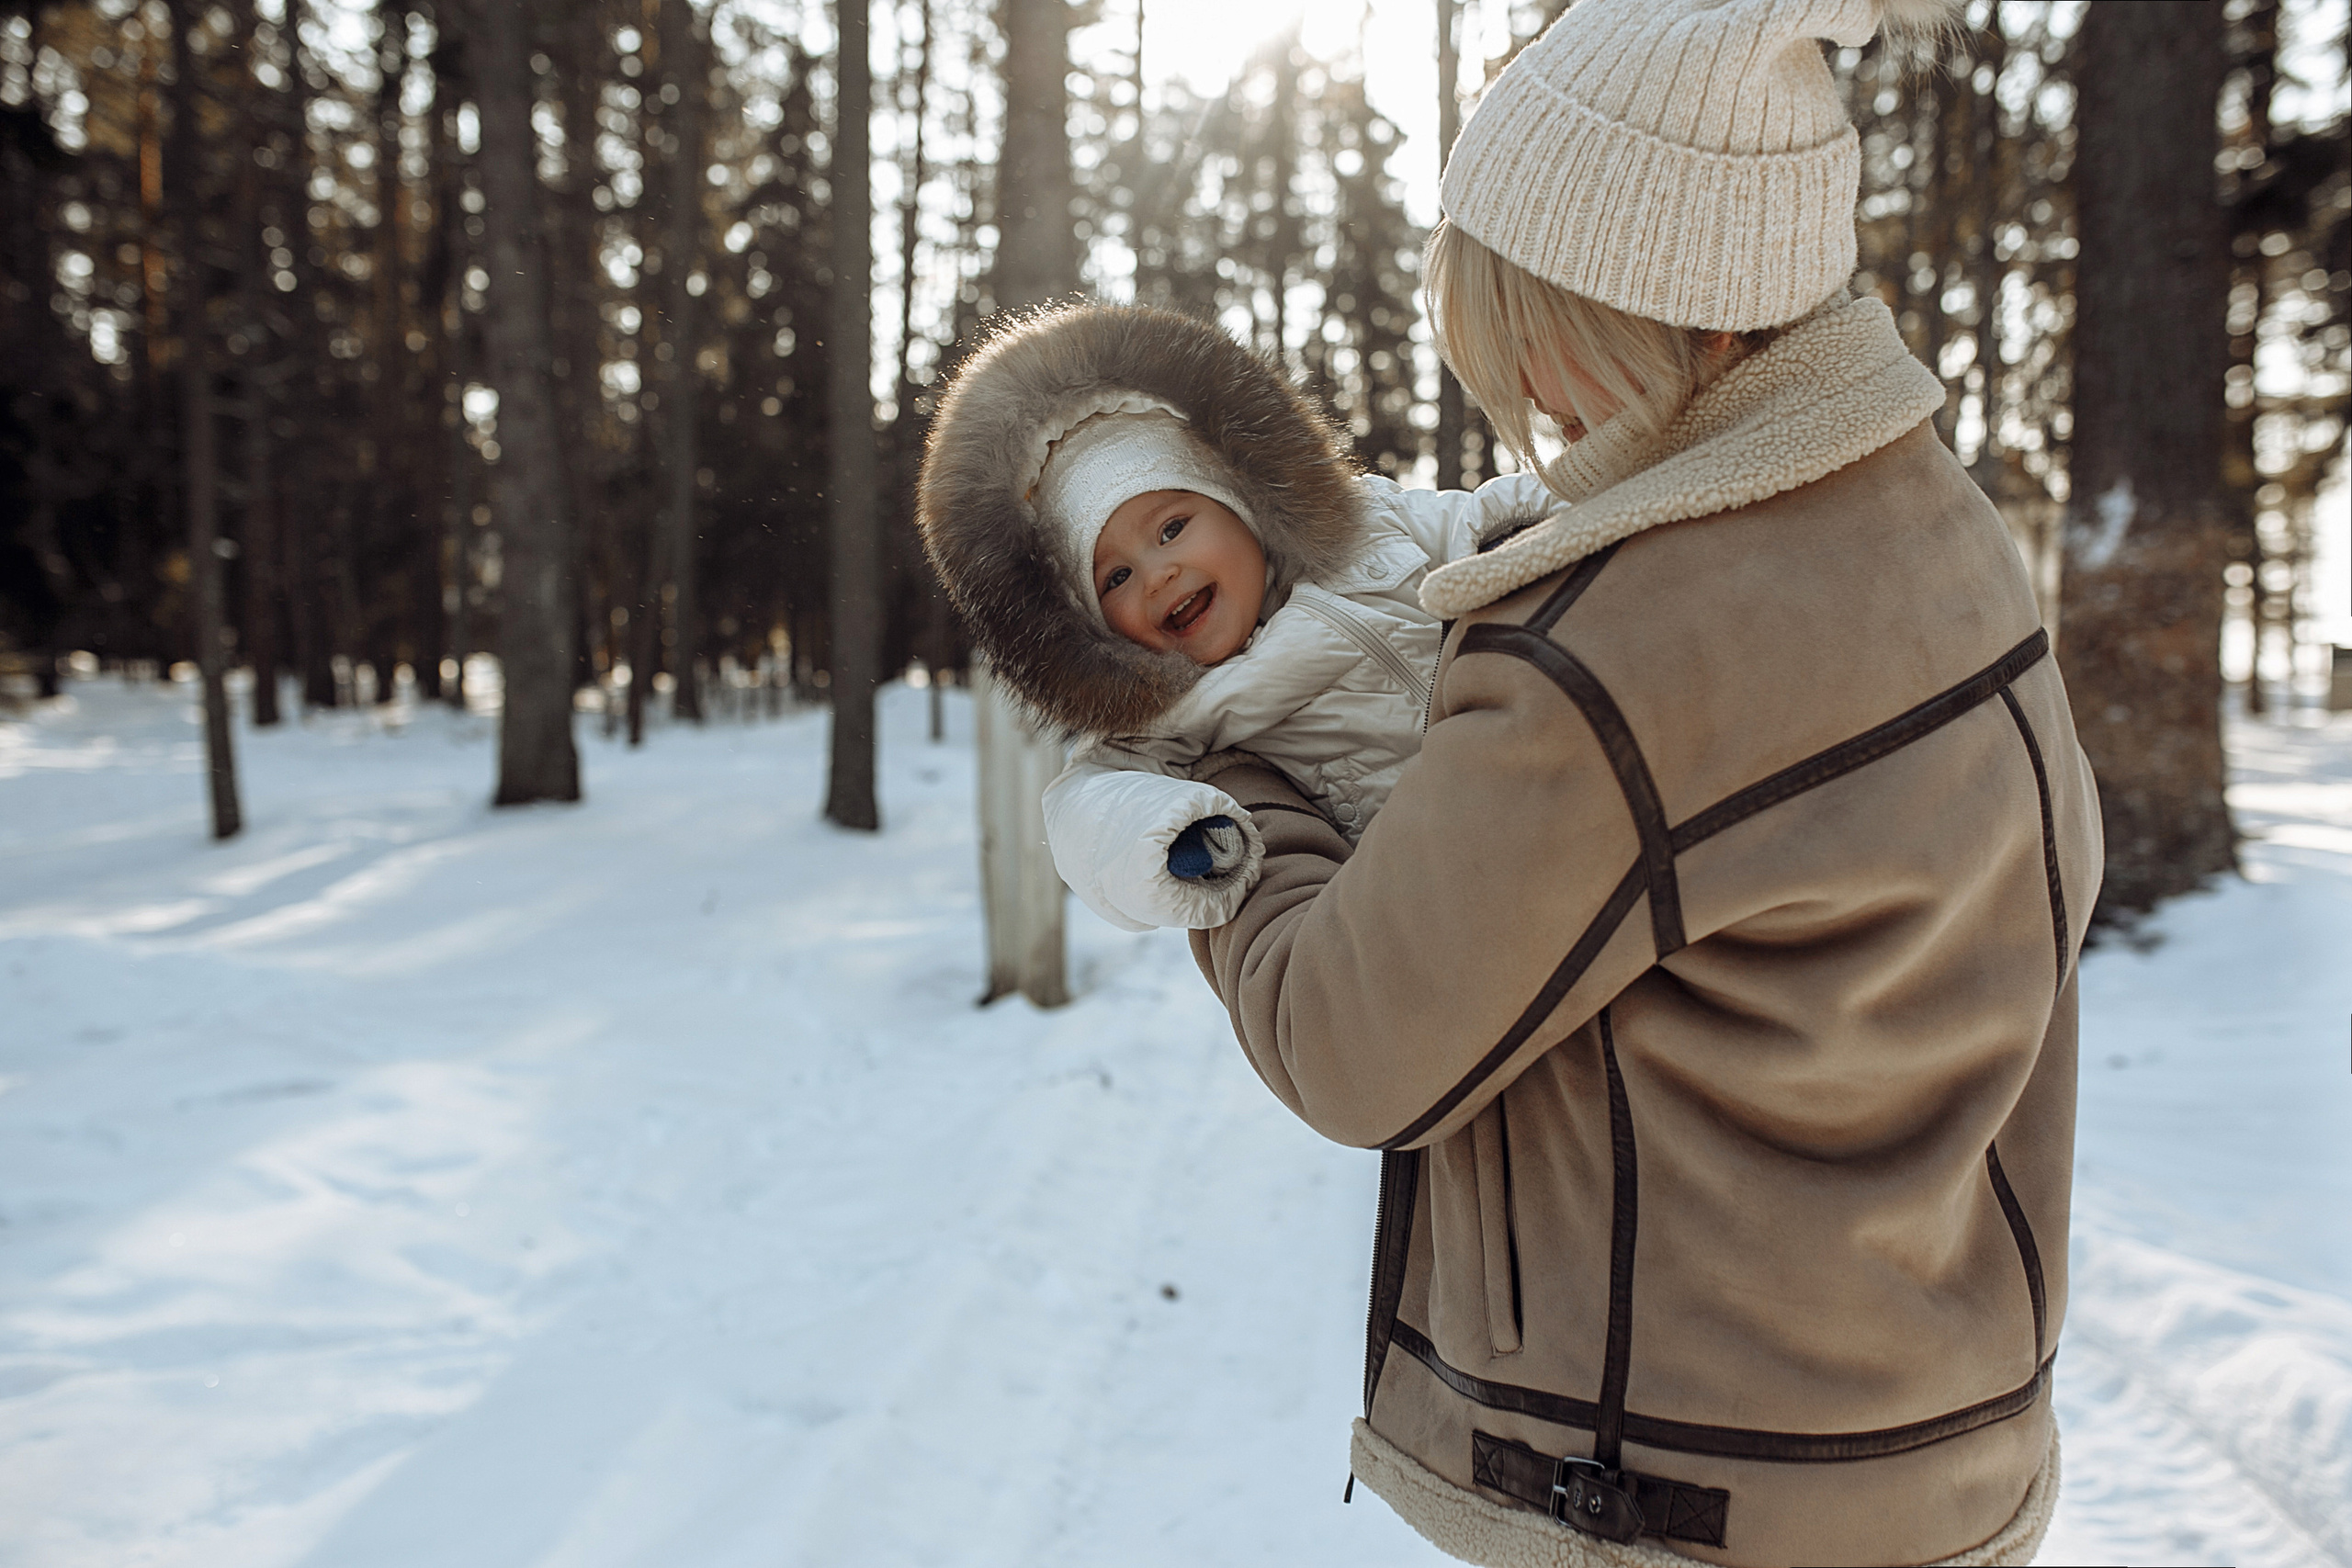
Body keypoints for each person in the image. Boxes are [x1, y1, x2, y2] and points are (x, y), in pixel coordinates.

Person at [1182, 0, 2101, 1563]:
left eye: (1522, 313)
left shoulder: (1619, 643)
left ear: (1656, 294)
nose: (1522, 389)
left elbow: (1350, 1042)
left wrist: (1222, 785)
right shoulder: (1936, 526)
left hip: (1687, 1501)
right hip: (1942, 1461)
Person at [916, 302, 1558, 932]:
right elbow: (1083, 810)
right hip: (1428, 897)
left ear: (1241, 505)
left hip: (1545, 780)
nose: (1157, 574)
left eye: (1172, 527)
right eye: (1115, 577)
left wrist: (1566, 507)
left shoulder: (1371, 527)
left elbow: (1478, 515)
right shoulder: (1167, 714)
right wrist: (1175, 835)